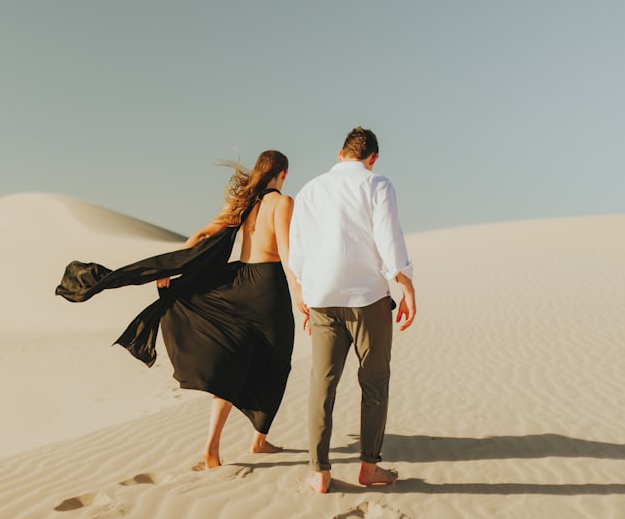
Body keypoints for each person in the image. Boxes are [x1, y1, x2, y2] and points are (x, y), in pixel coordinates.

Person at [56, 150, 300, 469]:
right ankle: (259, 439)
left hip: (239, 283)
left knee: (234, 365)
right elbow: (285, 250)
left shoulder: (243, 201)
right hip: (268, 288)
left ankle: (217, 445)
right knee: (276, 361)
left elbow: (200, 235)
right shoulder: (282, 203)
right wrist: (300, 294)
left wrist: (173, 265)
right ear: (283, 173)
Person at [288, 127, 416, 493]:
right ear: (372, 158)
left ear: (340, 154)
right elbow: (390, 241)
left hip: (322, 300)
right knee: (374, 382)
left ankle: (320, 472)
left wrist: (305, 298)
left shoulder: (310, 189)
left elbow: (298, 254)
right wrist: (407, 288)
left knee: (322, 384)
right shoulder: (377, 184)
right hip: (368, 298)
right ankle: (368, 468)